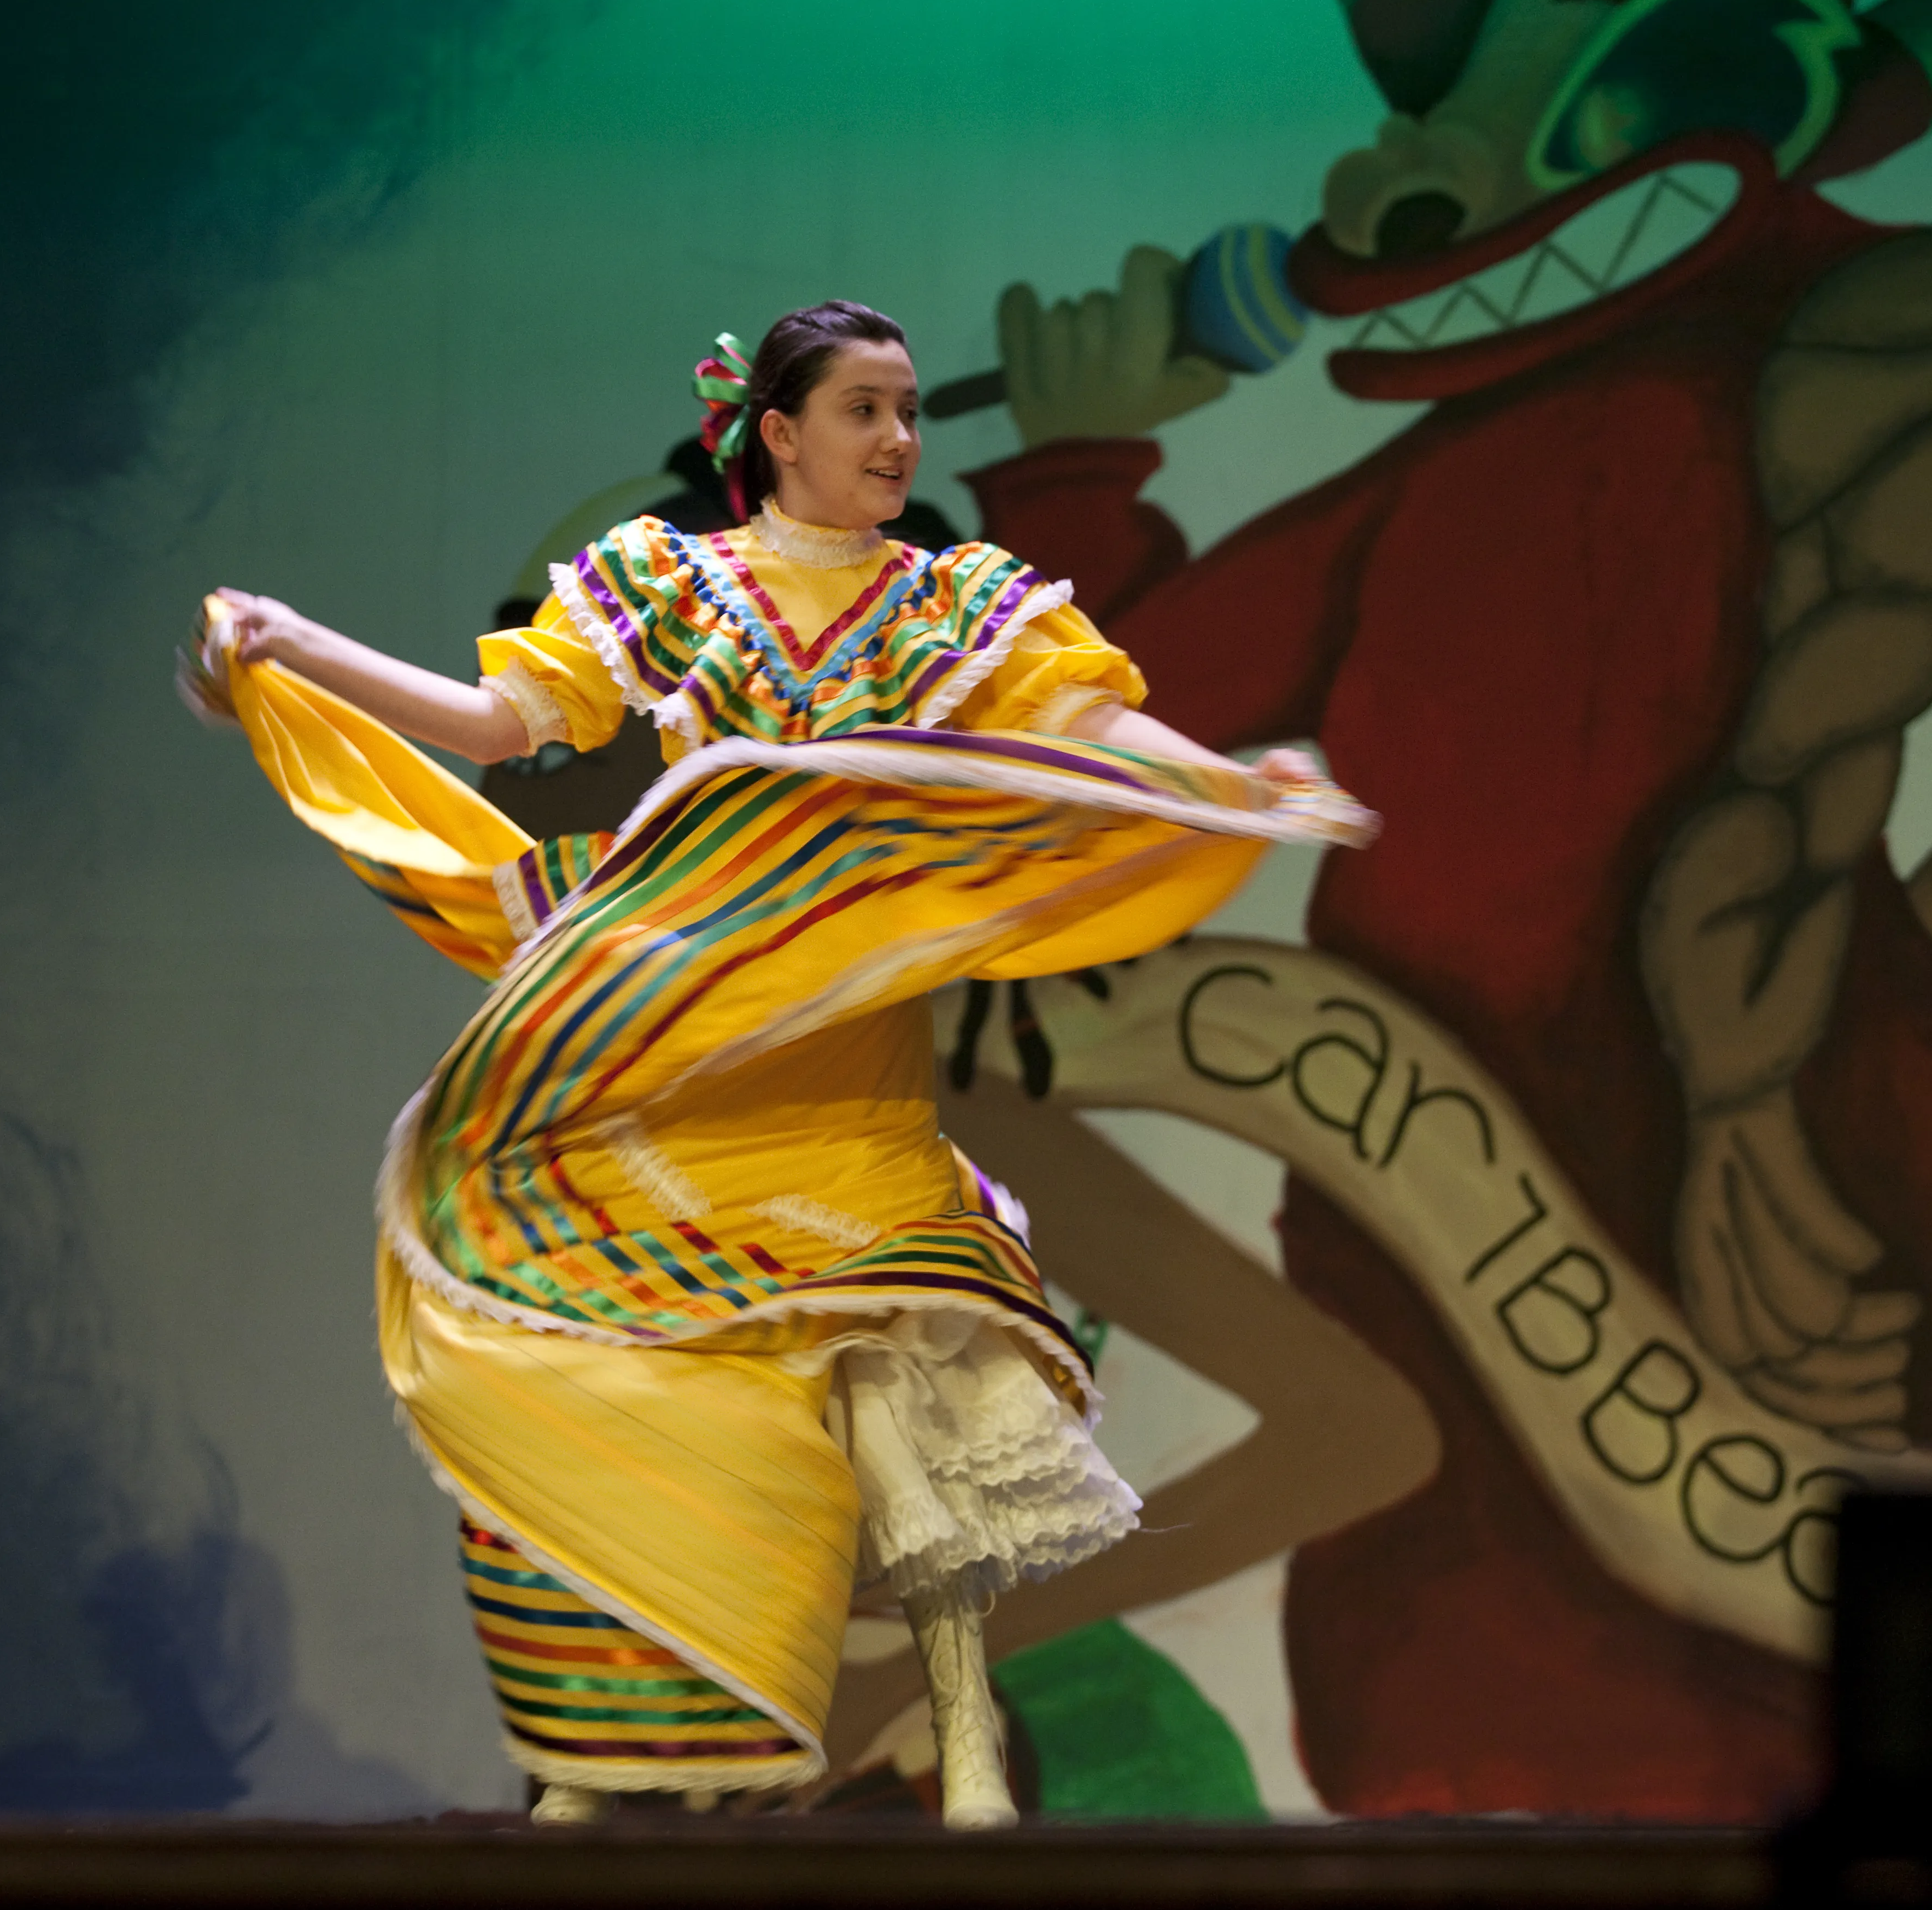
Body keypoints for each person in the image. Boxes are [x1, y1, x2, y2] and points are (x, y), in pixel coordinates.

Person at [184, 301, 1369, 1827]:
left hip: (842, 1060)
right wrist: (299, 650)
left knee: (893, 1353)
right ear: (779, 433)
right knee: (643, 1362)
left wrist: (1234, 782)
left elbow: (1092, 736)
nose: (895, 441)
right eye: (863, 411)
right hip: (678, 1044)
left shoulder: (957, 607)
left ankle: (966, 1753)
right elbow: (493, 728)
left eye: (907, 414)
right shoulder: (668, 588)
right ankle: (586, 1771)